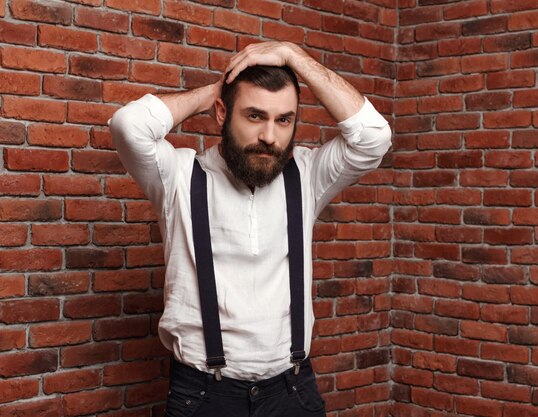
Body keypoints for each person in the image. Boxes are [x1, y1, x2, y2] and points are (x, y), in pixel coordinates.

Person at [109, 41, 392, 417]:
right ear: (222, 113)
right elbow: (129, 125)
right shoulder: (178, 176)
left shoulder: (307, 176)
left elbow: (374, 137)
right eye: (255, 116)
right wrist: (215, 90)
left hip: (292, 391)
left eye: (284, 120)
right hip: (205, 396)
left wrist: (294, 55)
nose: (270, 137)